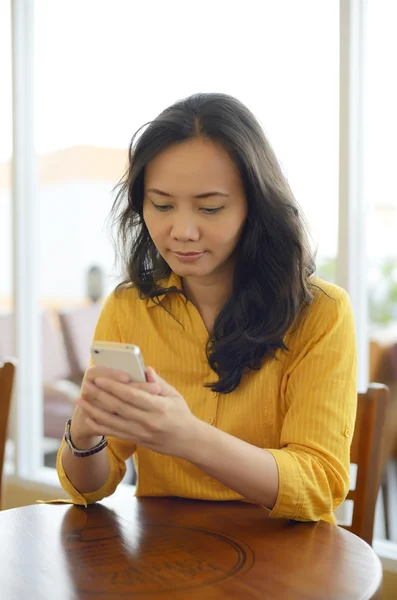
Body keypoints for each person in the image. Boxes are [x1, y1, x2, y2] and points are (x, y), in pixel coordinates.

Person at [57, 93, 357, 523]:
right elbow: (91, 488)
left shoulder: (321, 313)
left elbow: (320, 484)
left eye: (210, 207)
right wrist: (84, 434)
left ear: (255, 206)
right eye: (161, 205)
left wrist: (188, 437)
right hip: (165, 556)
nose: (181, 231)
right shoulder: (129, 307)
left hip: (286, 563)